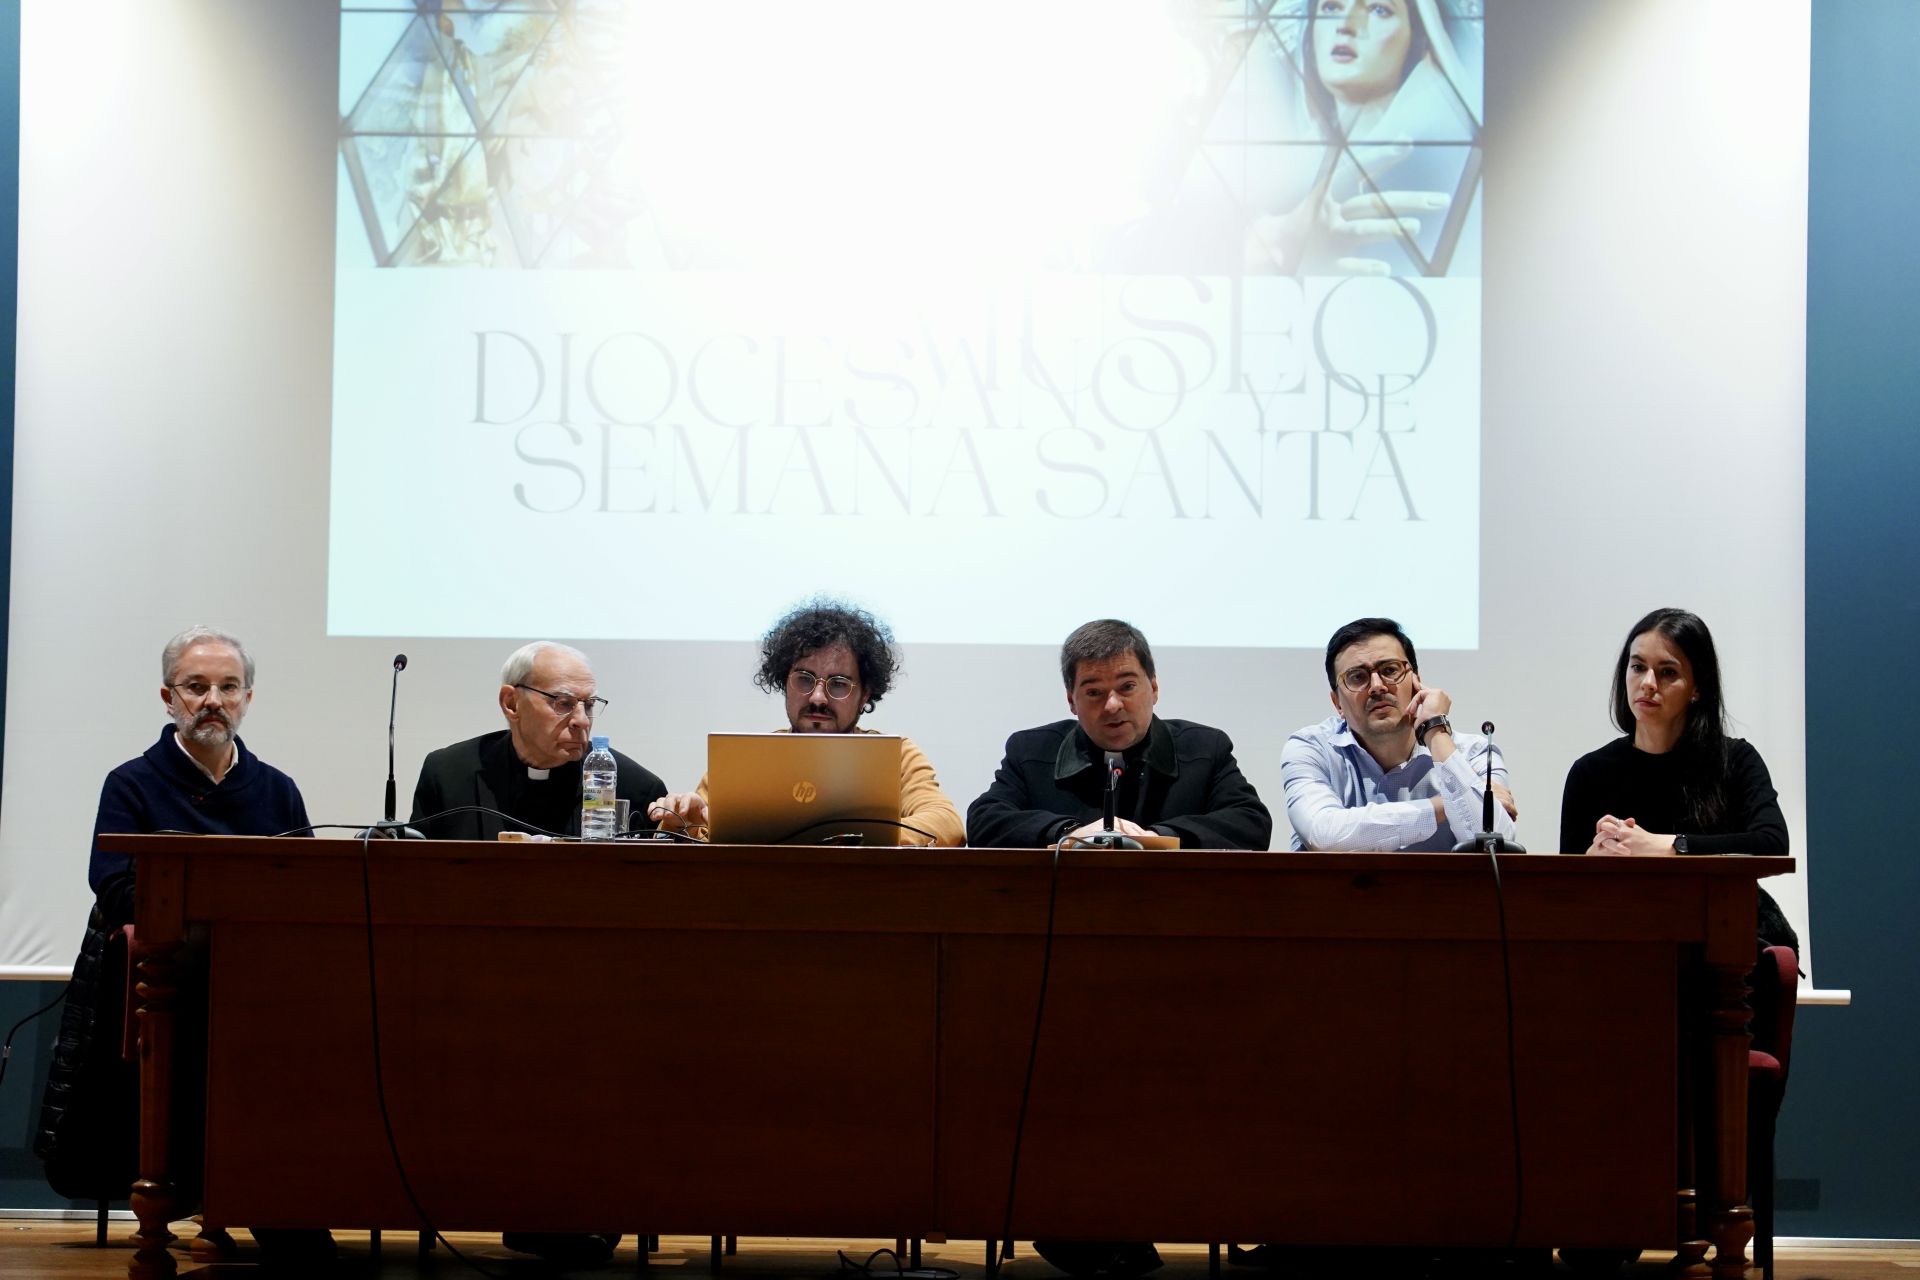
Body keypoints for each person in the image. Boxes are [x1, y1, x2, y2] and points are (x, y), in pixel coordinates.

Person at [53, 627, 329, 1266]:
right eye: (196, 687)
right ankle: (221, 1201)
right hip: (171, 977)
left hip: (261, 985)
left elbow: (308, 886)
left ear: (248, 698)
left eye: (228, 687)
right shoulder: (131, 783)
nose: (213, 700)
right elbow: (114, 887)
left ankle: (277, 1199)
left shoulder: (276, 787)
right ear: (167, 696)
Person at [1559, 607, 1798, 953]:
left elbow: (1772, 844)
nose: (1648, 684)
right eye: (1638, 667)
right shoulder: (1590, 773)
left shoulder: (1735, 760)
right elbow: (1565, 895)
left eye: (1667, 672)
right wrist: (1592, 862)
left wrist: (1670, 847)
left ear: (1697, 687)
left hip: (1717, 943)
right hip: (1622, 944)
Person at [650, 599, 965, 846]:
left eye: (838, 684)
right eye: (804, 679)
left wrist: (857, 844)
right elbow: (696, 834)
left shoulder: (896, 754)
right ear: (783, 682)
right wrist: (682, 822)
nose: (817, 697)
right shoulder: (748, 756)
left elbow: (946, 824)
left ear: (865, 693)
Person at [967, 619, 1271, 850]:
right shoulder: (1031, 751)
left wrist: (1157, 838)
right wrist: (1070, 834)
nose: (1112, 705)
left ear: (1153, 687)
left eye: (1127, 687)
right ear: (1071, 701)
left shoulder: (1204, 748)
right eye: (1094, 692)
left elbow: (1251, 823)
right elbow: (983, 821)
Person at [1245, 0, 1480, 276]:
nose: (1346, 25)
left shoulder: (1449, 166)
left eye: (1379, 10)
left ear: (1421, 40)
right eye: (1331, 7)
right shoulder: (1278, 170)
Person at [1281, 617, 1517, 851]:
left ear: (1416, 682)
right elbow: (1323, 835)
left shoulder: (1473, 753)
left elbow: (1495, 844)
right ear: (1337, 704)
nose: (1377, 686)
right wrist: (1455, 801)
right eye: (1357, 677)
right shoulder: (1311, 748)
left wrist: (1435, 730)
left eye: (1390, 670)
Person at [411, 640, 666, 841]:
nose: (583, 721)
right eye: (563, 703)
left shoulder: (637, 788)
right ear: (511, 704)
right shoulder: (448, 775)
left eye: (588, 705)